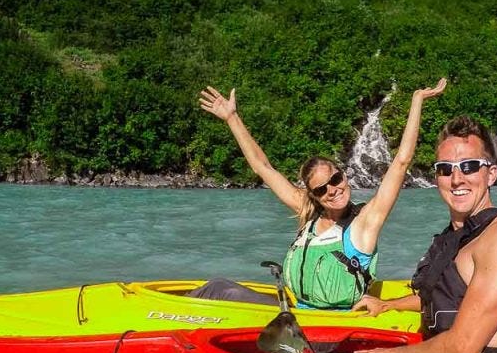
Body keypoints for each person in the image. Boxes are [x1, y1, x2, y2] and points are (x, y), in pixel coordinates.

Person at [192, 78, 447, 309]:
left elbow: (401, 162)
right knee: (217, 286)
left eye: (336, 179)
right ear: (313, 195)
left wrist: (416, 101)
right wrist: (231, 118)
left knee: (221, 292)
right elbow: (263, 167)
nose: (333, 190)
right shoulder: (309, 215)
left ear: (344, 175)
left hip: (330, 328)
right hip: (296, 316)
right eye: (322, 189)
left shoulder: (365, 222)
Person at [343, 116, 497, 353]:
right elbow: (447, 298)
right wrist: (387, 305)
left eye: (469, 166)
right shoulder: (455, 236)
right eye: (445, 169)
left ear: (491, 174)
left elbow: (461, 349)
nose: (456, 179)